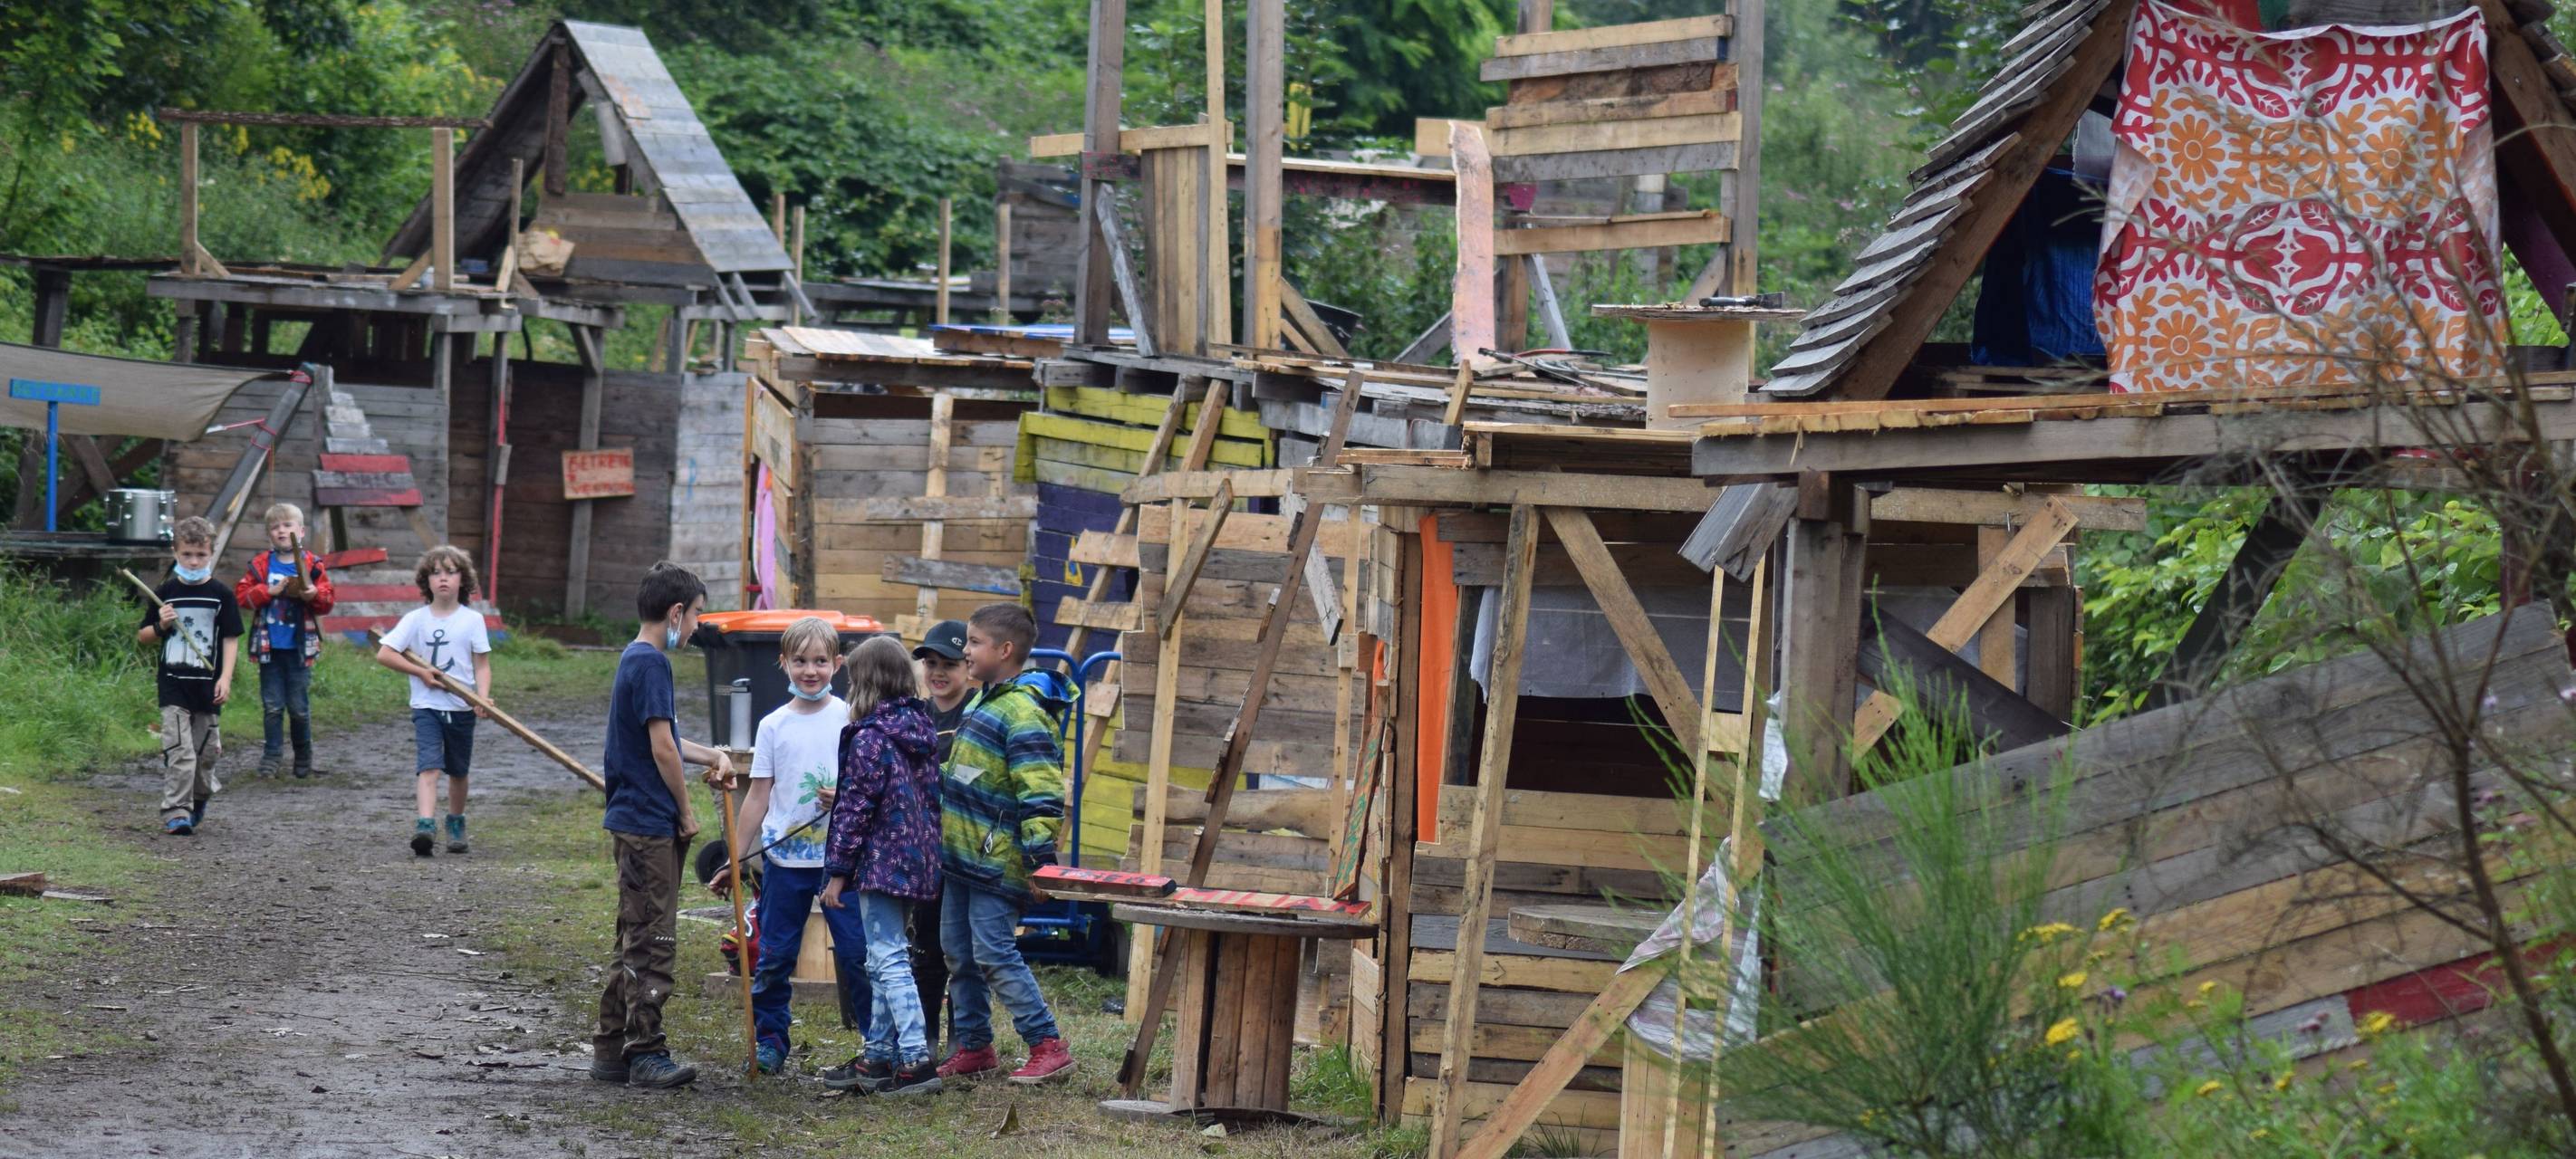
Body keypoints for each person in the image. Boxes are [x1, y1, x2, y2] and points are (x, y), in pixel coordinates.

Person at [591, 561, 734, 1091]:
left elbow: (672, 740)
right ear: (676, 612)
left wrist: (713, 754)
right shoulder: (653, 665)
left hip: (635, 818)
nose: (698, 625)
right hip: (649, 824)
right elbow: (661, 750)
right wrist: (687, 811)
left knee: (631, 934)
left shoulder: (636, 658)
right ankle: (646, 1051)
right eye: (697, 614)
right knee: (654, 938)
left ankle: (610, 1049)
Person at [716, 616, 865, 1078]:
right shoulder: (772, 726)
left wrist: (843, 796)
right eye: (800, 661)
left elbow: (869, 787)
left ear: (838, 665)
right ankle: (771, 1039)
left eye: (821, 661)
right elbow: (757, 794)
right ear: (783, 664)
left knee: (858, 952)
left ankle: (875, 1043)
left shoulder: (850, 718)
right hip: (785, 861)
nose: (810, 670)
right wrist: (738, 857)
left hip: (842, 863)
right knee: (774, 954)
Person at [934, 603, 1075, 1084]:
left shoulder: (1023, 712)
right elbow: (964, 772)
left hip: (998, 863)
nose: (965, 651)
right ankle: (975, 1047)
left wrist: (1041, 858)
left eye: (974, 643)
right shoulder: (983, 701)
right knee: (958, 952)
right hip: (961, 859)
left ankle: (1047, 1043)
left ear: (1006, 649)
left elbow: (1042, 790)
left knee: (993, 952)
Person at [820, 636, 947, 1096]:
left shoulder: (870, 738)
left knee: (888, 957)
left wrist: (837, 871)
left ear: (865, 683)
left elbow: (854, 809)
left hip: (880, 862)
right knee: (883, 957)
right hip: (917, 862)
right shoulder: (920, 730)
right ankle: (877, 1055)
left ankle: (914, 1059)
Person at [373, 545, 491, 857]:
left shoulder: (473, 620)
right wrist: (420, 671)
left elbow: (482, 664)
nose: (443, 579)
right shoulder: (415, 620)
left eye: (450, 572)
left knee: (458, 771)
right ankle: (425, 824)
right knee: (429, 767)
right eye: (435, 573)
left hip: (462, 706)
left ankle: (455, 821)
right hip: (426, 706)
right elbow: (385, 653)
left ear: (463, 580)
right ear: (426, 581)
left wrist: (481, 697)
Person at [136, 515, 241, 837]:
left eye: (200, 555)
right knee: (179, 750)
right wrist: (161, 625)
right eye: (187, 555)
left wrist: (225, 678)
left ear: (211, 552)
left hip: (208, 686)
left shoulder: (221, 594)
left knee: (205, 753)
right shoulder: (165, 592)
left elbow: (231, 638)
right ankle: (176, 811)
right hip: (173, 684)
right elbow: (144, 636)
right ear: (176, 553)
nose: (194, 562)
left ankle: (198, 797)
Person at [905, 618, 975, 1055]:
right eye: (931, 663)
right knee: (926, 947)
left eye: (948, 663)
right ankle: (928, 1037)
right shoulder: (916, 717)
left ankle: (966, 1039)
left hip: (966, 850)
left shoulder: (977, 716)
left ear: (968, 665)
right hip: (925, 852)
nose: (938, 673)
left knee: (963, 953)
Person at [234, 503, 334, 780]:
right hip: (269, 648)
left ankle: (303, 755)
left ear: (300, 531)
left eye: (287, 525)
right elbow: (242, 596)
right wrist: (268, 590)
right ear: (269, 534)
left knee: (299, 708)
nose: (281, 530)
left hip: (300, 648)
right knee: (272, 706)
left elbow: (327, 601)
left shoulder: (312, 564)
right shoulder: (260, 565)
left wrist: (313, 594)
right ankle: (272, 755)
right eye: (275, 527)